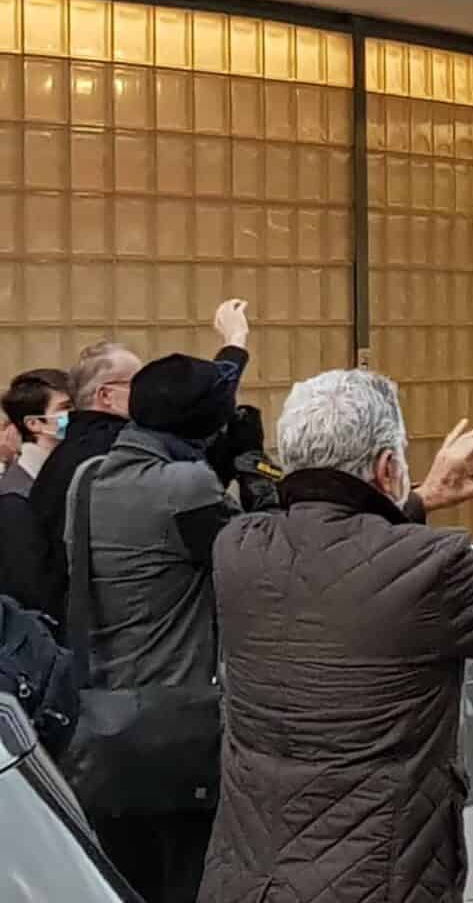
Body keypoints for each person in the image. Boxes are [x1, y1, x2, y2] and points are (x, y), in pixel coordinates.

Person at [199, 372, 473, 903]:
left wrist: (421, 497)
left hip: (248, 874)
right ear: (386, 467)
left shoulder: (239, 546)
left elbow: (339, 559)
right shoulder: (430, 564)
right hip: (378, 873)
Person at [78, 311, 257, 902]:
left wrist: (235, 350)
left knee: (125, 882)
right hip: (176, 720)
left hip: (103, 717)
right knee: (187, 880)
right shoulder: (184, 487)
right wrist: (256, 481)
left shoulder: (90, 479)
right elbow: (255, 562)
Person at [29, 337, 153, 626]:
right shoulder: (120, 452)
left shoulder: (63, 454)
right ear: (106, 395)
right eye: (137, 384)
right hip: (111, 621)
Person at [1, 368, 70, 615]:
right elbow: (29, 591)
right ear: (34, 423)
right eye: (65, 408)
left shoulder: (59, 475)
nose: (74, 416)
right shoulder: (15, 497)